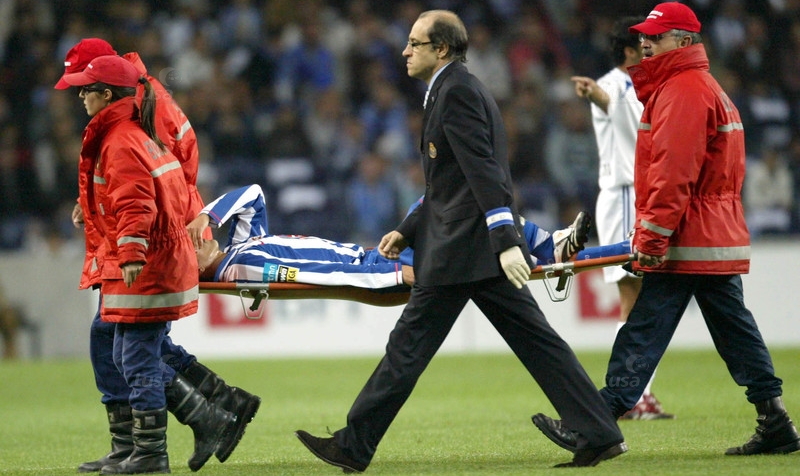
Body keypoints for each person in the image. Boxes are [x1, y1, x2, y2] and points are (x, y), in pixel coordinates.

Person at [293, 10, 627, 471]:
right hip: (469, 249)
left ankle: (353, 445)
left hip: (458, 252)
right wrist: (408, 229)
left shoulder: (456, 93)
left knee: (407, 351)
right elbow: (448, 183)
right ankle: (599, 433)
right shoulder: (451, 89)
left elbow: (483, 173)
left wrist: (507, 241)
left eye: (414, 43)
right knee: (537, 343)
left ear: (442, 49)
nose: (405, 51)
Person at [532, 2, 800, 458]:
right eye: (643, 36)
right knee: (734, 332)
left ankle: (594, 426)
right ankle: (775, 420)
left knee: (644, 330)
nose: (645, 43)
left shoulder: (682, 90)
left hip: (686, 237)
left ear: (684, 41)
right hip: (709, 233)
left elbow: (672, 174)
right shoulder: (701, 85)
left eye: (656, 37)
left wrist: (653, 236)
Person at [56, 39, 260, 473]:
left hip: (151, 252)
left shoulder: (125, 131)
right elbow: (143, 182)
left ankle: (169, 437)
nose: (78, 94)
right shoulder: (142, 111)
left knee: (129, 350)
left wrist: (135, 249)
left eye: (84, 86)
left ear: (106, 87)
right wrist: (92, 202)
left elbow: (137, 195)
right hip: (158, 245)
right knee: (131, 347)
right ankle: (214, 409)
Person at [188, 184, 614, 289]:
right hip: (378, 265)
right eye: (191, 248)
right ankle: (550, 246)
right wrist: (392, 275)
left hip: (377, 255)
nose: (199, 239)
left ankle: (557, 248)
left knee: (453, 201)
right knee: (454, 197)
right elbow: (317, 276)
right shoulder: (241, 265)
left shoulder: (238, 246)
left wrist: (206, 215)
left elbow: (253, 195)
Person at [570, 16, 673, 420]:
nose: (650, 49)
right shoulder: (615, 85)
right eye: (645, 44)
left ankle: (636, 393)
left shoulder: (634, 84)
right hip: (627, 193)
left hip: (633, 194)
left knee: (641, 299)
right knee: (634, 298)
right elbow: (618, 111)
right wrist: (597, 96)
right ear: (629, 51)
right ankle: (632, 394)